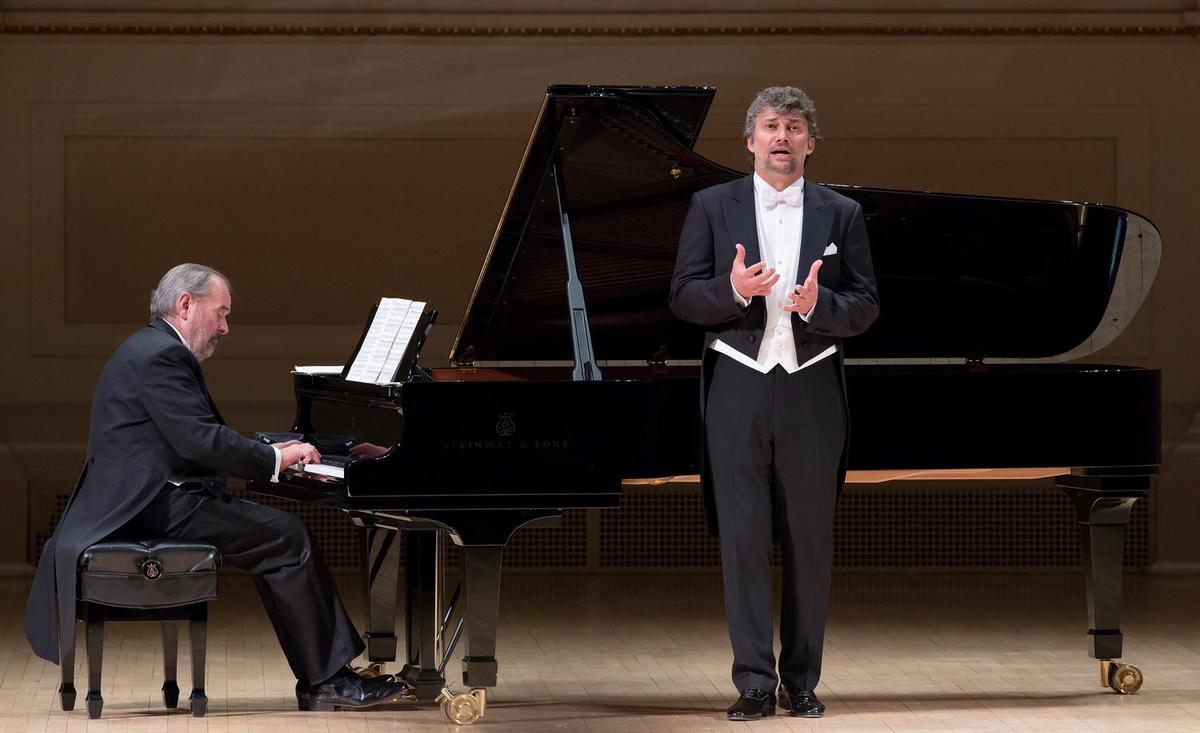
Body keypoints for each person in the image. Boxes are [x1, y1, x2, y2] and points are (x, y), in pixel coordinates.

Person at [26, 263, 412, 711]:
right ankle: (329, 681)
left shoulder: (151, 347)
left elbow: (197, 436)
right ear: (186, 304)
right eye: (221, 313)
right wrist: (273, 459)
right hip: (148, 505)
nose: (225, 327)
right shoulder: (161, 356)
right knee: (287, 538)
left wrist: (299, 449)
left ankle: (323, 676)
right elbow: (202, 440)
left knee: (281, 538)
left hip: (149, 498)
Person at [669, 87, 879, 720]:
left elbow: (866, 303)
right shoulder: (711, 204)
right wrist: (731, 292)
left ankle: (803, 680)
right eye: (770, 126)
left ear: (811, 142)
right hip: (738, 383)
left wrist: (820, 307)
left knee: (809, 540)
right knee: (743, 540)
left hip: (813, 384)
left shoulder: (842, 212)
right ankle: (755, 682)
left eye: (794, 127)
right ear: (750, 140)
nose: (781, 137)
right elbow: (683, 294)